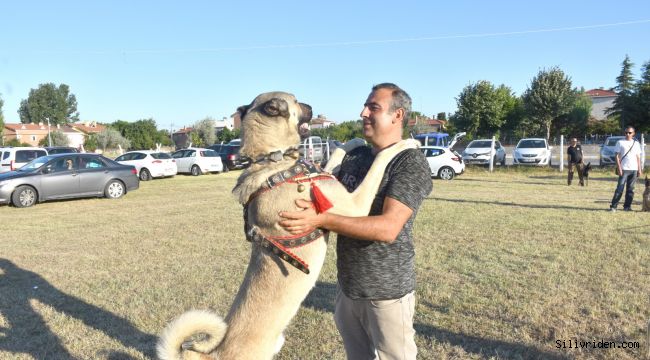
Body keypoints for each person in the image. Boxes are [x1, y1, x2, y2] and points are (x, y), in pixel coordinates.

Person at [279, 83, 432, 359]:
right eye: (365, 106)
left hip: (385, 294)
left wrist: (321, 219)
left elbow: (388, 228)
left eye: (373, 107)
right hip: (348, 289)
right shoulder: (357, 156)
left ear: (398, 115)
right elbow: (326, 200)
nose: (363, 113)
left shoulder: (409, 163)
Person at [609, 126, 643, 211]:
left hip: (634, 169)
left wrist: (639, 169)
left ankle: (627, 207)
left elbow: (638, 157)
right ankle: (613, 206)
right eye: (626, 132)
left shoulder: (636, 143)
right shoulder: (620, 142)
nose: (627, 134)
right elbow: (616, 156)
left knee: (630, 190)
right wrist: (619, 168)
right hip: (624, 169)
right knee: (620, 188)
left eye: (630, 133)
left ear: (633, 133)